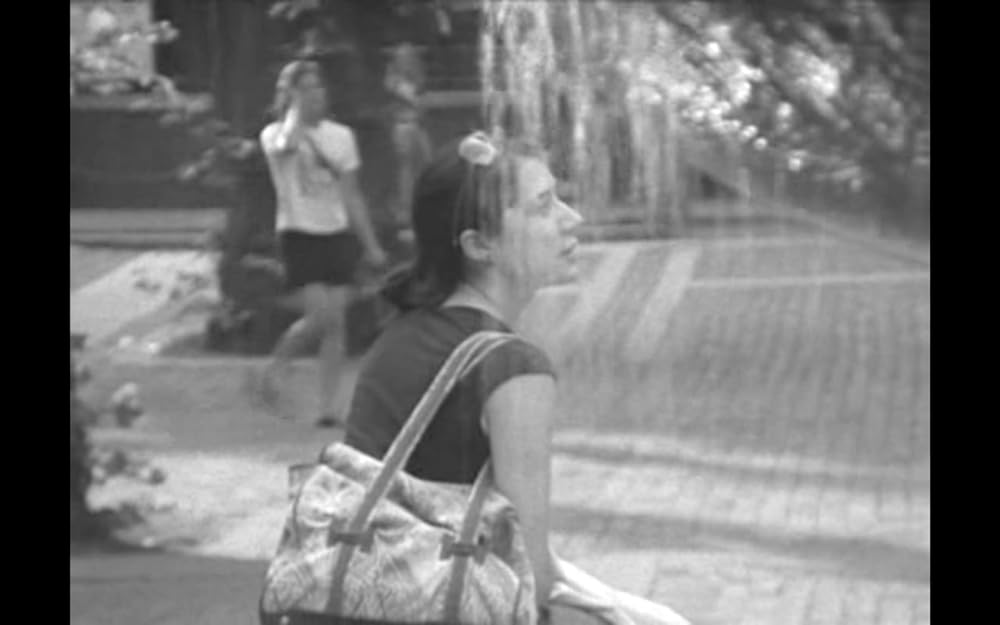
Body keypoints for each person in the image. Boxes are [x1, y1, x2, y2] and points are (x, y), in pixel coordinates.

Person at [343, 132, 689, 625]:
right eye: (544, 206)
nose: (573, 218)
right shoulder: (511, 368)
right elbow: (529, 581)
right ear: (480, 245)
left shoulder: (399, 336)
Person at [258, 60, 388, 427]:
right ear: (291, 95)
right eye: (307, 88)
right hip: (299, 234)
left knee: (336, 325)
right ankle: (276, 368)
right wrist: (295, 112)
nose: (318, 95)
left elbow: (351, 195)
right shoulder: (274, 134)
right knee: (319, 317)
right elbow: (285, 146)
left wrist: (371, 244)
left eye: (319, 87)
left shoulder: (341, 137)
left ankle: (329, 408)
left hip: (336, 234)